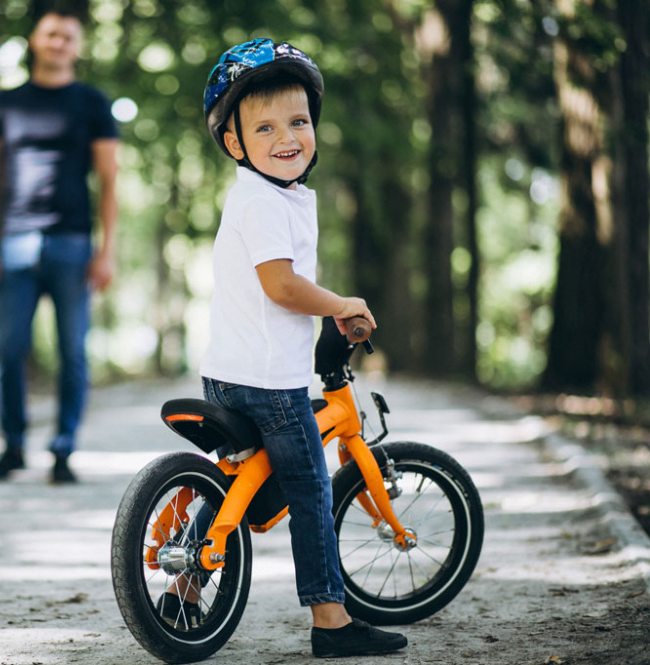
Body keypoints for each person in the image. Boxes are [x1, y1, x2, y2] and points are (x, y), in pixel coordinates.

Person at [190, 38, 408, 658]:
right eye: (265, 127)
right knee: (312, 489)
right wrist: (340, 304)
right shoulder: (262, 201)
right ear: (235, 143)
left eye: (299, 121)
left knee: (242, 484)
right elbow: (281, 286)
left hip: (232, 372)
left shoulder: (268, 195)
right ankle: (331, 620)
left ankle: (186, 582)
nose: (287, 137)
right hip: (267, 383)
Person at [0, 10, 119, 484]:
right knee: (7, 349)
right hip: (14, 242)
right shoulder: (3, 103)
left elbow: (109, 180)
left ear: (77, 47)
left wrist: (107, 250)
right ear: (35, 40)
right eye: (51, 34)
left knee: (73, 352)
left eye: (68, 36)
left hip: (73, 244)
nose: (59, 42)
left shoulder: (93, 103)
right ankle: (13, 445)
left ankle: (62, 449)